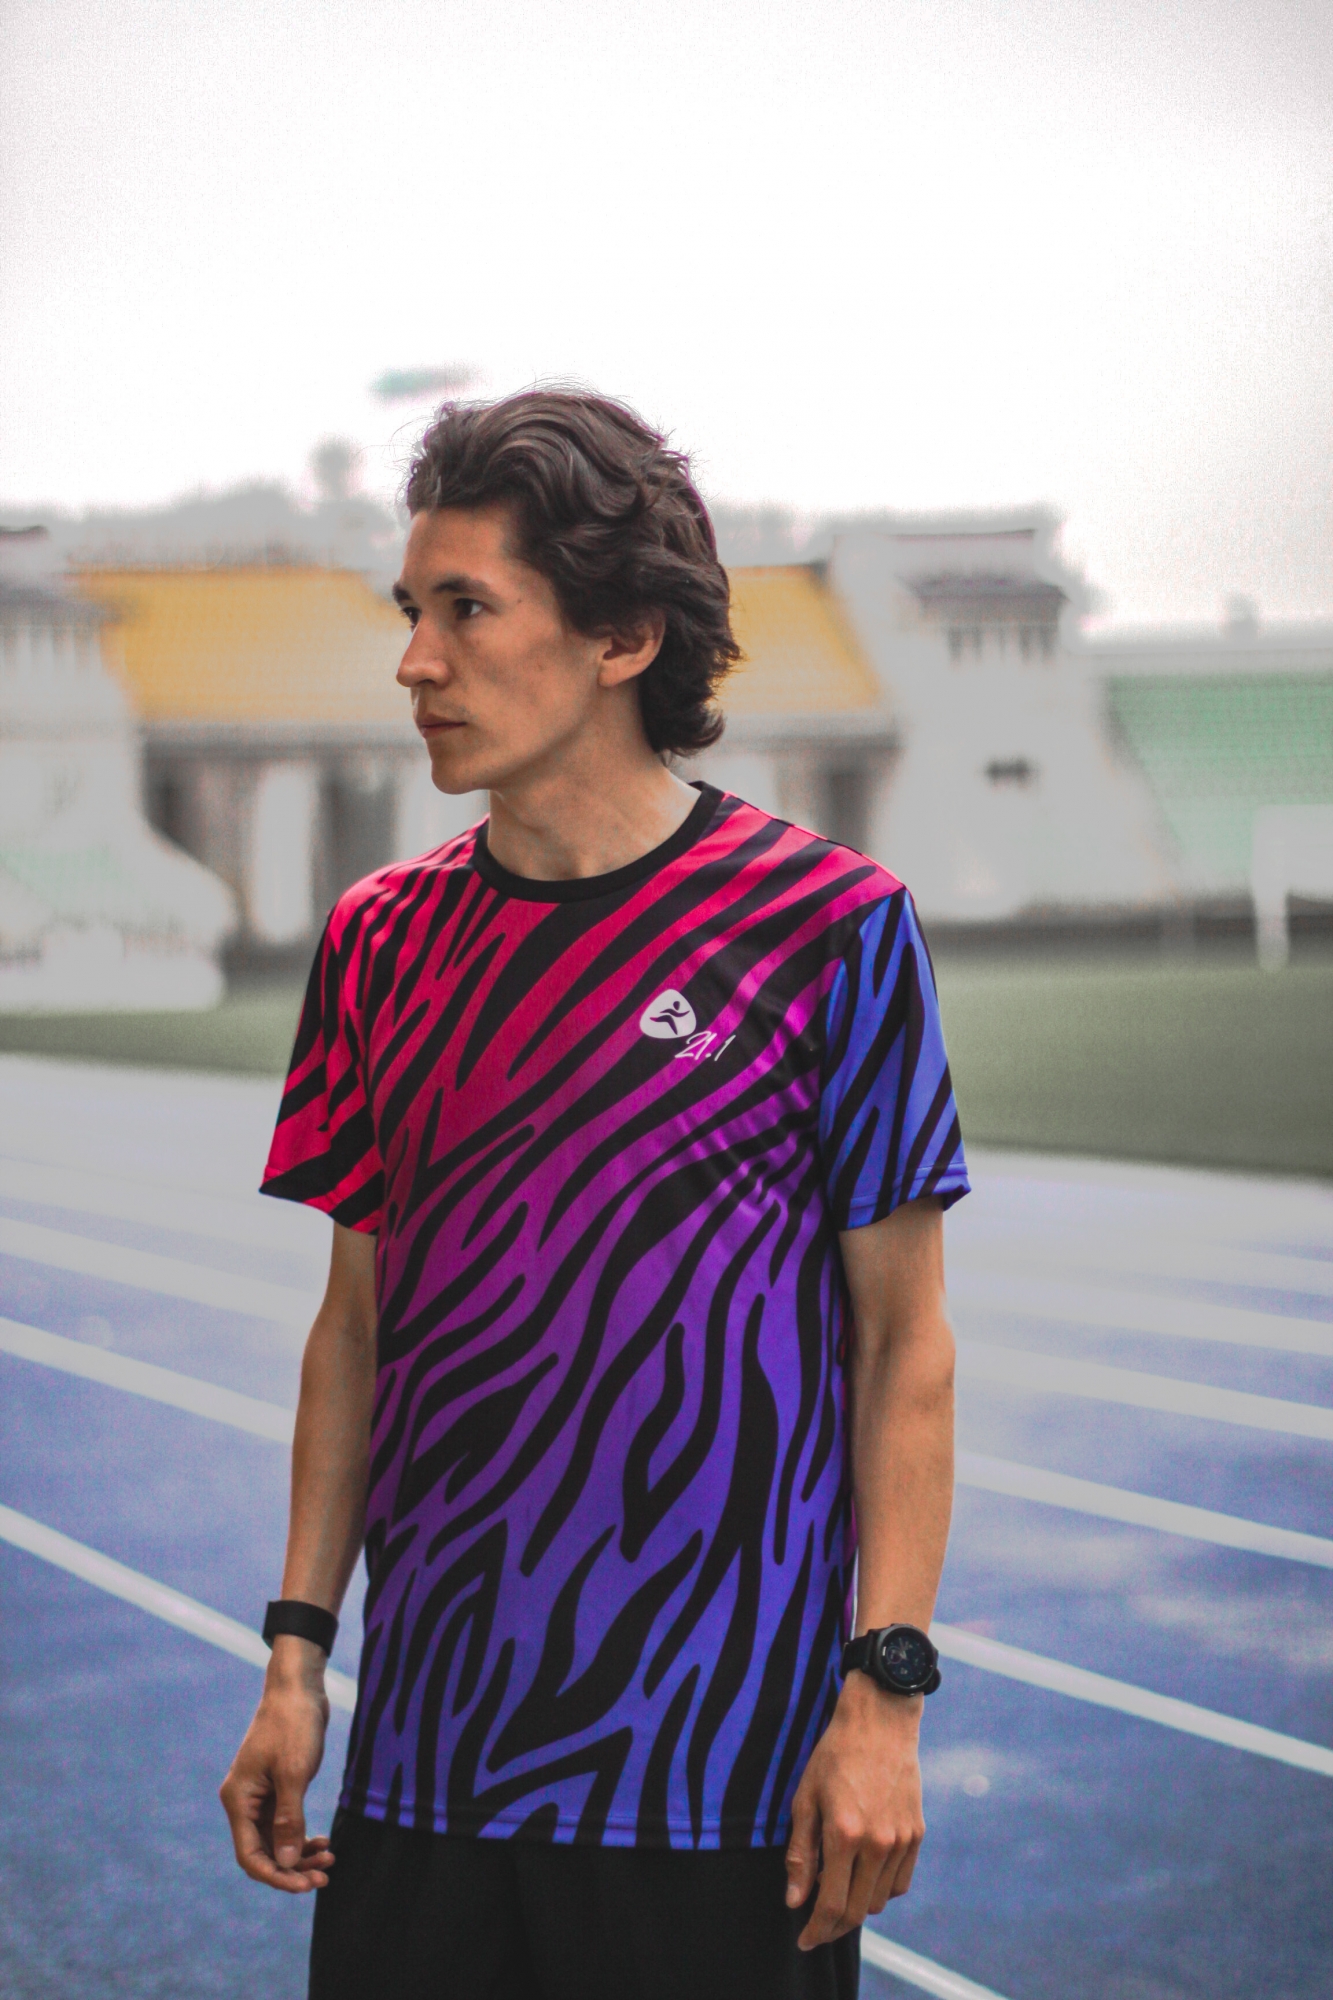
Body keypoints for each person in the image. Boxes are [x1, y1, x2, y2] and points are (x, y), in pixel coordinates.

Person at [219, 390, 968, 2000]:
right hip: (427, 1764)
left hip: (721, 1781)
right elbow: (355, 1329)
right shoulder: (378, 942)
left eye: (465, 610)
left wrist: (885, 1697)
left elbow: (902, 1346)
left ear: (622, 636)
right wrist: (295, 1657)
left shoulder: (830, 929)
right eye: (409, 611)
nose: (414, 663)